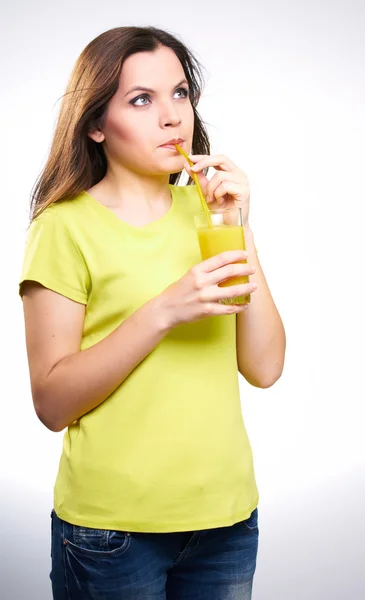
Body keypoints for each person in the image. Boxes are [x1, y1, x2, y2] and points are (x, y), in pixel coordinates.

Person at [19, 25, 286, 600]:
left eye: (180, 93)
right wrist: (164, 310)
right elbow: (51, 402)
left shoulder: (210, 212)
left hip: (227, 521)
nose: (171, 116)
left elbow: (265, 368)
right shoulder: (63, 229)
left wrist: (240, 227)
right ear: (95, 124)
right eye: (141, 99)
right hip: (112, 532)